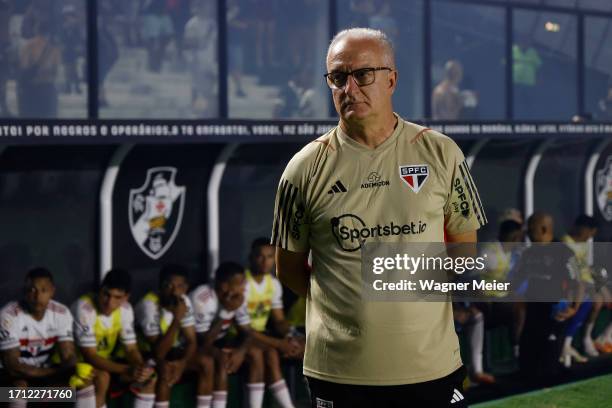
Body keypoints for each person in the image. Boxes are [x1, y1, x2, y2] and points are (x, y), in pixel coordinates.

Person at [271, 28, 487, 407]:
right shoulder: (303, 169)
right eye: (338, 78)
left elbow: (464, 251)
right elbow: (288, 268)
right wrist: (343, 299)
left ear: (392, 79)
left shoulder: (441, 153)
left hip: (431, 368)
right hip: (339, 374)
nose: (350, 88)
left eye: (363, 75)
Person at [511, 212, 583, 382]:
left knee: (548, 367)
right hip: (533, 309)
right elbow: (517, 280)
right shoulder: (528, 254)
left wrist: (574, 308)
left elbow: (577, 282)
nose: (527, 233)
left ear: (543, 229)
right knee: (526, 363)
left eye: (530, 229)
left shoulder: (563, 252)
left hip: (555, 309)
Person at [0, 268, 86, 407]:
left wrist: (74, 369)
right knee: (19, 389)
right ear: (25, 292)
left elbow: (68, 356)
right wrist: (55, 372)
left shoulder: (61, 313)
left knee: (83, 383)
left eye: (44, 290)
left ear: (52, 291)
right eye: (32, 290)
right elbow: (13, 368)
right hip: (7, 385)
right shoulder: (8, 316)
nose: (38, 296)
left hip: (44, 378)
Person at [72, 269, 157, 408]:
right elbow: (90, 356)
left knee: (150, 379)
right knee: (102, 378)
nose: (109, 302)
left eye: (117, 297)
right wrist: (128, 370)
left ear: (126, 298)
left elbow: (131, 349)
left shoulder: (126, 310)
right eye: (106, 294)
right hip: (76, 366)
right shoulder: (84, 309)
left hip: (105, 364)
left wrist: (140, 368)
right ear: (100, 290)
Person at [135, 264, 214, 407]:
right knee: (165, 368)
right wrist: (177, 319)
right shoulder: (149, 305)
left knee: (206, 362)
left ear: (186, 288)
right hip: (146, 355)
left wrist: (182, 363)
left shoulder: (184, 301)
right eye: (169, 286)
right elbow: (158, 353)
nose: (174, 291)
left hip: (172, 352)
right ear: (160, 286)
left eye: (180, 286)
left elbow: (192, 341)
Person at [243, 238, 301, 408]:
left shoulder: (273, 284)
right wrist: (280, 343)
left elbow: (279, 320)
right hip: (241, 335)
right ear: (251, 257)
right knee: (263, 354)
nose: (265, 261)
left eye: (270, 256)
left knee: (272, 355)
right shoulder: (242, 282)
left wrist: (291, 337)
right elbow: (245, 329)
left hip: (260, 336)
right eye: (260, 256)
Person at [190, 262, 255, 408]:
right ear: (225, 286)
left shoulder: (238, 295)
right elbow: (203, 341)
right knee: (220, 358)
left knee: (253, 352)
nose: (244, 286)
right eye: (240, 283)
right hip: (190, 345)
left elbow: (248, 333)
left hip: (217, 342)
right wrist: (227, 311)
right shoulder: (202, 298)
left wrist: (240, 352)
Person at [560, 215, 604, 362]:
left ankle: (588, 338)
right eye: (590, 233)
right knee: (590, 300)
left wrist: (601, 286)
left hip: (584, 282)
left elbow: (586, 269)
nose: (590, 237)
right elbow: (571, 275)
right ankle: (566, 343)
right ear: (582, 229)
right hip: (571, 285)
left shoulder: (584, 244)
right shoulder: (565, 243)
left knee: (601, 299)